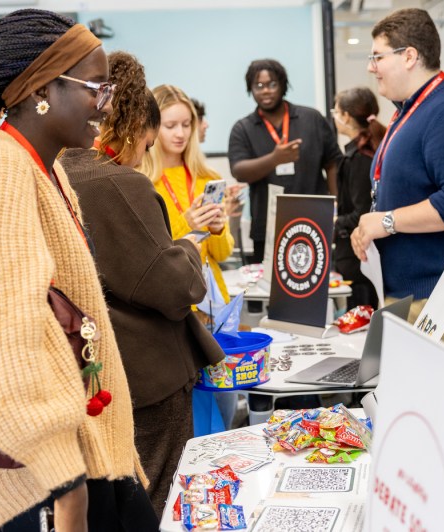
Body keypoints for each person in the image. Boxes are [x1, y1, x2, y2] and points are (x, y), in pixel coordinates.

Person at [0, 10, 157, 530]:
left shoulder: (41, 167)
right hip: (39, 482)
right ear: (41, 89)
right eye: (96, 86)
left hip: (78, 460)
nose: (106, 103)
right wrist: (64, 486)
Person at [60, 53, 224, 516]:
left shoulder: (56, 172)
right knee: (162, 499)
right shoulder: (118, 185)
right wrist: (188, 247)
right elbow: (173, 288)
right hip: (149, 378)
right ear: (134, 129)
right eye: (149, 143)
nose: (146, 155)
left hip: (96, 376)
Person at [350, 8, 444, 341]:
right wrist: (370, 226)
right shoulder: (411, 111)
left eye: (377, 57)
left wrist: (386, 222)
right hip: (415, 296)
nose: (371, 67)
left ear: (410, 56)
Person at [140, 84, 238, 431]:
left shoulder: (207, 178)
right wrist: (188, 227)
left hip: (216, 309)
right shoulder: (143, 183)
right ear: (152, 125)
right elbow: (151, 253)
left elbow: (223, 253)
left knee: (226, 403)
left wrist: (218, 229)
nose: (180, 133)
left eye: (187, 124)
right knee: (190, 417)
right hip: (178, 313)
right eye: (170, 125)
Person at [228, 59, 341, 264]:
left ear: (283, 84)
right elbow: (239, 171)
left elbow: (333, 163)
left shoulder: (312, 118)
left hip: (314, 223)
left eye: (272, 84)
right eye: (258, 86)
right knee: (269, 292)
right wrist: (275, 159)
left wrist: (335, 209)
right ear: (250, 89)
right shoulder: (243, 128)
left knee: (314, 291)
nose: (266, 91)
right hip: (268, 228)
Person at [332, 86, 385, 308]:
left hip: (359, 256)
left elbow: (361, 213)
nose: (334, 116)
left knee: (362, 315)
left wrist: (334, 222)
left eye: (335, 111)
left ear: (345, 116)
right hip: (362, 253)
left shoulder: (360, 158)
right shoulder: (370, 150)